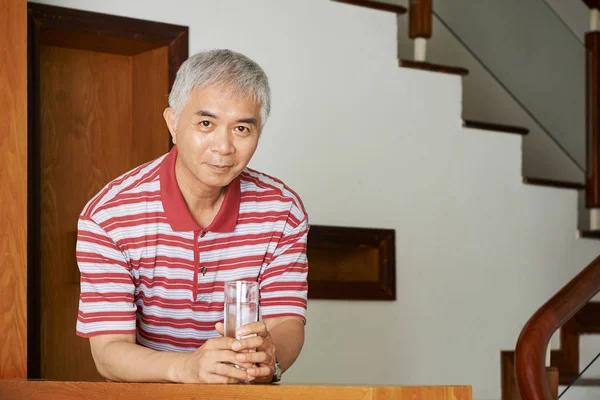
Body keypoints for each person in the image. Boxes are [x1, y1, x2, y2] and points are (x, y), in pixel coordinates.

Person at [75, 49, 309, 384]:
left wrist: (269, 361)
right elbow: (109, 352)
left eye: (242, 128)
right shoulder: (109, 216)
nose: (224, 146)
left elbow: (285, 321)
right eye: (205, 123)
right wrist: (187, 368)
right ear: (172, 122)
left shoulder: (283, 211)